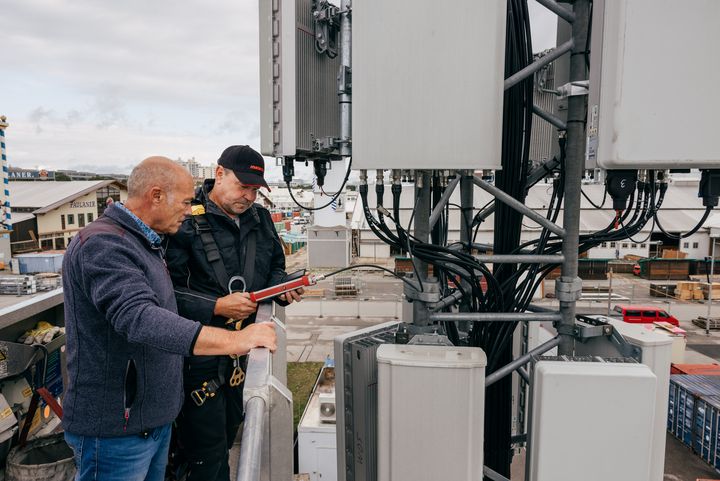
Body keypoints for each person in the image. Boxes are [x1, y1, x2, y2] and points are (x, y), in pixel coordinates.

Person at [61, 156, 277, 481]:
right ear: (156, 195)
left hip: (151, 423)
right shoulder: (104, 244)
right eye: (187, 202)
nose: (190, 211)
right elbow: (141, 318)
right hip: (116, 432)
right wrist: (237, 339)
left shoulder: (145, 242)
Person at [166, 145, 302, 481]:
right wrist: (215, 305)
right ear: (219, 174)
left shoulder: (260, 219)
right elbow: (164, 292)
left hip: (240, 358)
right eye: (243, 186)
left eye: (255, 190)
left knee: (227, 436)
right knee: (206, 457)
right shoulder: (185, 220)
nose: (249, 196)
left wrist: (283, 289)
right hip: (199, 355)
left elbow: (273, 268)